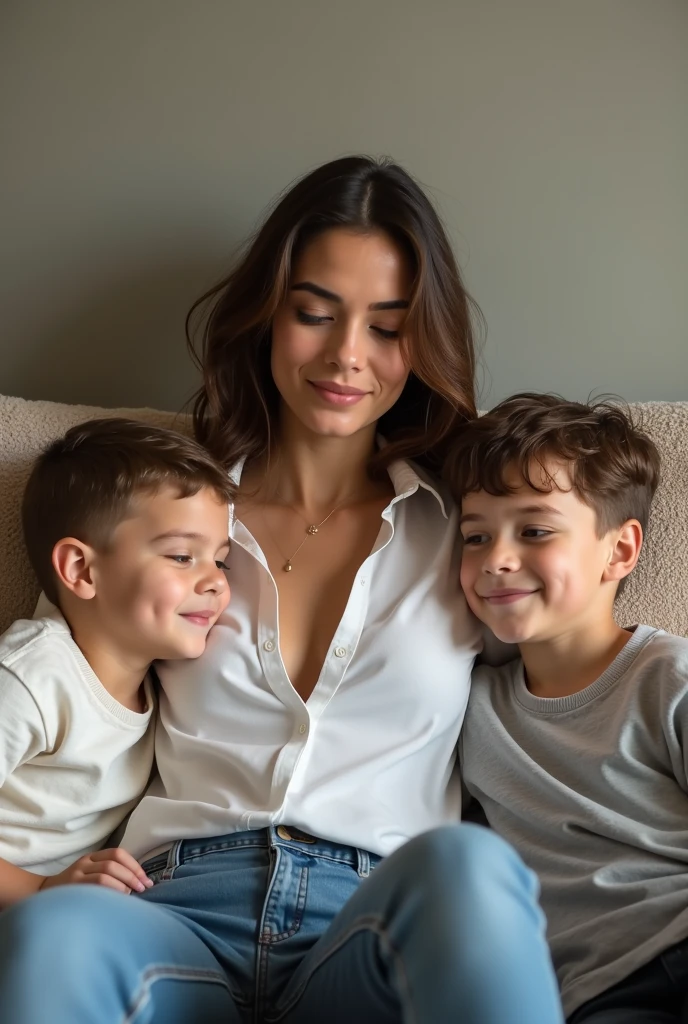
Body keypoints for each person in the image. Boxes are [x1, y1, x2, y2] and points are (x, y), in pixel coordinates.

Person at [0, 158, 564, 1024]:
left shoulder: (468, 531)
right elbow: (60, 692)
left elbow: (572, 685)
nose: (346, 356)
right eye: (314, 314)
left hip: (374, 922)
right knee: (60, 932)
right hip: (173, 913)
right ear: (268, 315)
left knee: (471, 867)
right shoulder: (161, 517)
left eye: (387, 326)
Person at [450, 392, 688, 1022]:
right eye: (475, 535)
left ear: (620, 550)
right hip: (585, 995)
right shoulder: (473, 707)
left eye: (534, 530)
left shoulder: (668, 677)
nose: (496, 559)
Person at [0, 418, 231, 908]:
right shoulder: (33, 676)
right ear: (82, 569)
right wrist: (38, 889)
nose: (215, 582)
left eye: (221, 560)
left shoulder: (166, 688)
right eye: (182, 556)